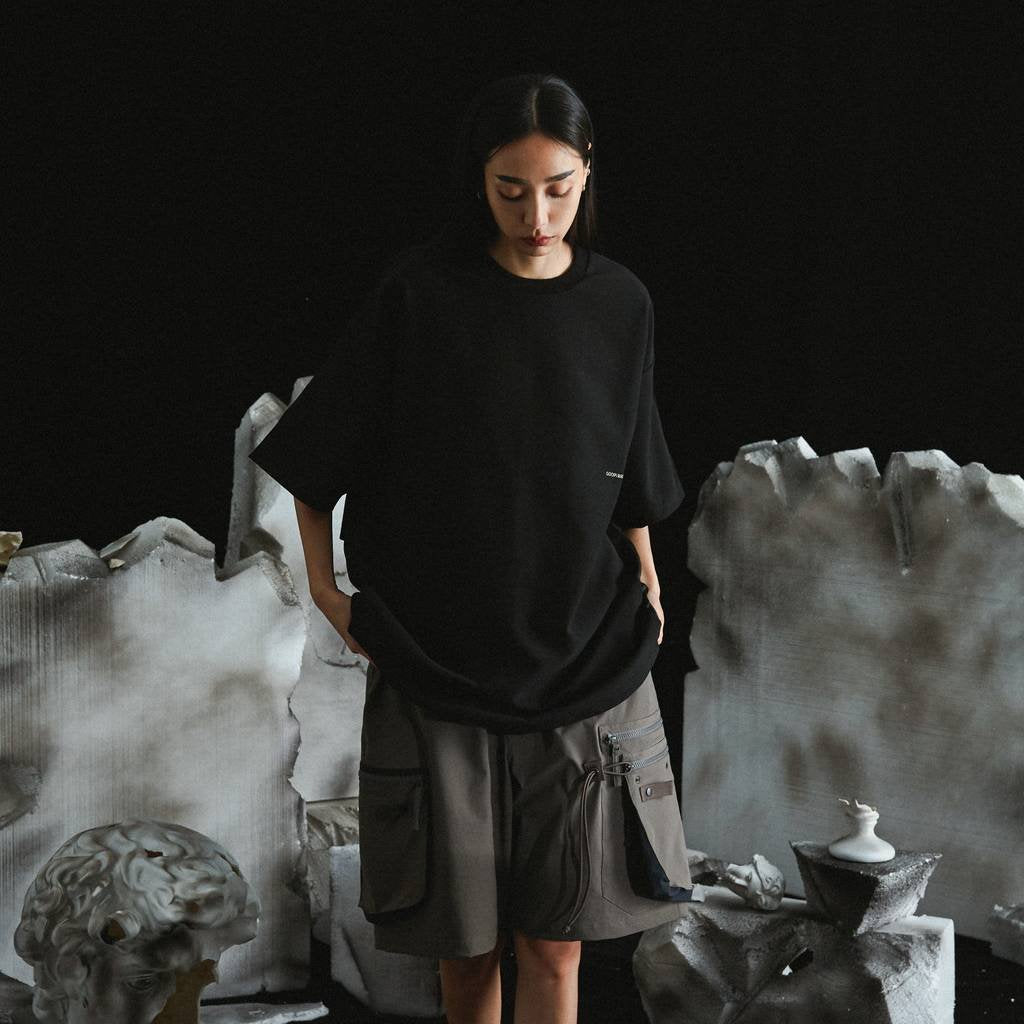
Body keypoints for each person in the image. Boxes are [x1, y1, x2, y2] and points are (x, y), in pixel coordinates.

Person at [248, 72, 694, 1024]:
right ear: (479, 181)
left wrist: (651, 580)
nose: (538, 216)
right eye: (511, 190)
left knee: (557, 944)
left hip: (584, 657)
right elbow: (315, 457)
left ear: (587, 173)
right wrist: (327, 590)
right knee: (466, 950)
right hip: (438, 662)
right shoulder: (422, 294)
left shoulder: (621, 302)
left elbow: (630, 463)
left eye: (559, 188)